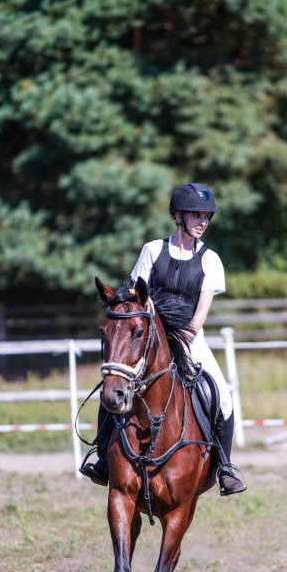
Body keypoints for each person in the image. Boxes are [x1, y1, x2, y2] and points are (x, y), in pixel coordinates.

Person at [80, 182, 246, 496]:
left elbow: (201, 312)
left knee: (222, 397)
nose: (202, 222)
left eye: (206, 216)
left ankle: (224, 467)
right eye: (196, 214)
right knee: (114, 384)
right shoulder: (153, 250)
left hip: (188, 338)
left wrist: (184, 338)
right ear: (177, 216)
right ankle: (103, 458)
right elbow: (132, 295)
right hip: (148, 338)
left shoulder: (211, 260)